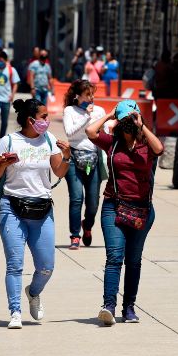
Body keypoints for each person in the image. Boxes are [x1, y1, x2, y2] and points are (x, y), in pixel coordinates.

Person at [0, 98, 71, 329]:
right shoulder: (8, 141)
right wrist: (5, 163)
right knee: (15, 264)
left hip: (42, 209)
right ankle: (15, 312)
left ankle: (33, 292)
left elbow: (58, 171)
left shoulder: (49, 140)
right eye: (44, 117)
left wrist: (67, 157)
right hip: (12, 207)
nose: (47, 120)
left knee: (46, 266)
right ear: (30, 120)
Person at [85, 99, 164, 325]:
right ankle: (108, 305)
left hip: (141, 209)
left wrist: (141, 126)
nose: (128, 123)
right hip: (114, 205)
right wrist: (110, 115)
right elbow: (90, 131)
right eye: (125, 120)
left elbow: (159, 149)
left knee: (134, 260)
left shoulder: (146, 144)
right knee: (114, 257)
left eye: (132, 119)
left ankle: (128, 307)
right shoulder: (112, 142)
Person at [63, 80, 106, 250]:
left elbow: (104, 133)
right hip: (74, 157)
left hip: (93, 158)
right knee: (76, 199)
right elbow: (70, 132)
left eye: (92, 93)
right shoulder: (69, 111)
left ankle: (87, 225)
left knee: (93, 201)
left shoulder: (100, 111)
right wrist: (86, 117)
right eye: (87, 94)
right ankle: (75, 236)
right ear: (78, 96)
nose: (91, 97)